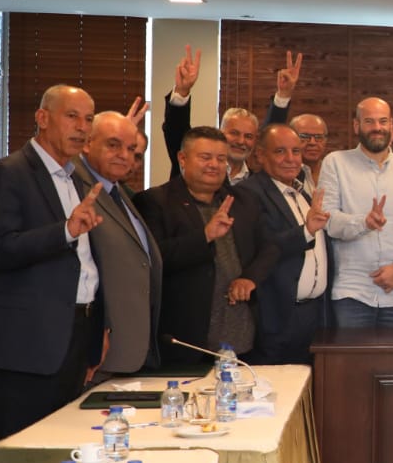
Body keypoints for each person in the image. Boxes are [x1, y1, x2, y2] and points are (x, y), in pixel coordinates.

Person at [0, 85, 106, 439]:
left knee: (64, 446)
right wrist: (64, 231)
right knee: (25, 449)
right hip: (28, 342)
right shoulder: (10, 172)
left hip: (76, 333)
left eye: (88, 119)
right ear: (42, 118)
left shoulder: (76, 179)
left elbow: (86, 263)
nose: (82, 127)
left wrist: (99, 327)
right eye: (72, 116)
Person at [136, 126, 279, 364]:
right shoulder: (156, 201)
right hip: (186, 338)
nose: (214, 165)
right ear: (183, 159)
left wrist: (250, 278)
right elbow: (154, 258)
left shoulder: (243, 200)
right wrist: (204, 236)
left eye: (221, 159)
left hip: (242, 334)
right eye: (205, 157)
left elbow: (270, 247)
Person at [319, 97, 393, 328]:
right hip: (353, 292)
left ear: (392, 126)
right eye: (369, 121)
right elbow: (328, 220)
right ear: (356, 125)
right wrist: (364, 223)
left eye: (383, 121)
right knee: (352, 353)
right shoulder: (336, 162)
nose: (377, 127)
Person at [74, 105, 163, 379]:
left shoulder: (118, 191)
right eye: (113, 145)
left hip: (130, 348)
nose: (125, 156)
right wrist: (95, 329)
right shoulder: (74, 185)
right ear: (87, 143)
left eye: (131, 149)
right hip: (97, 349)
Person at [235, 124, 331, 364]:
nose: (291, 159)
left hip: (313, 314)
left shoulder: (301, 192)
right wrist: (306, 231)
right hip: (276, 316)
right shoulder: (248, 193)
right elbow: (264, 246)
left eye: (296, 151)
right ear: (260, 155)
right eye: (280, 151)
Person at [162, 46, 292, 182]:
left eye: (248, 136)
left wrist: (283, 96)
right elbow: (176, 131)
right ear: (220, 133)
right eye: (234, 133)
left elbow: (272, 137)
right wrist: (182, 92)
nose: (241, 141)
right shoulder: (197, 167)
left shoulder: (257, 184)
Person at [288, 113, 328, 195]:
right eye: (304, 136)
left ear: (325, 140)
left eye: (318, 137)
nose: (312, 142)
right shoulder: (283, 174)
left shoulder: (334, 171)